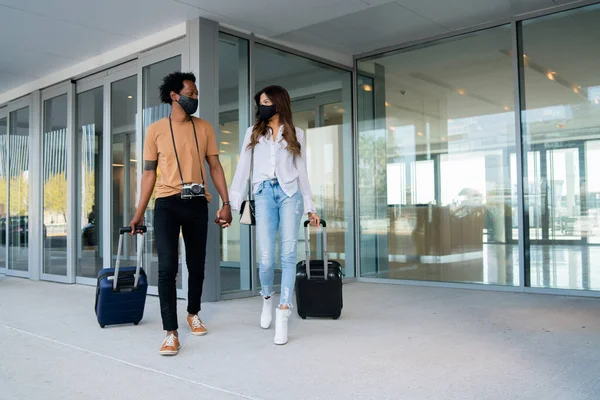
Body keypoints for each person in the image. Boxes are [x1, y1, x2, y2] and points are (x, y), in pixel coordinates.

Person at [129, 72, 232, 356]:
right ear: (175, 95)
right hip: (166, 204)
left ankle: (193, 313)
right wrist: (138, 212)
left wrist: (226, 201)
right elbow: (149, 173)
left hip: (198, 202)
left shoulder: (205, 128)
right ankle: (170, 332)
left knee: (197, 265)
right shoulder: (155, 130)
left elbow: (215, 166)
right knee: (167, 268)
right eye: (192, 93)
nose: (195, 98)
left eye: (196, 94)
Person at [225, 85, 320, 345]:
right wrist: (233, 201)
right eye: (261, 102)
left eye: (266, 101)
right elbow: (243, 167)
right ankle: (267, 297)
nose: (262, 105)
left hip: (291, 194)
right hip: (264, 193)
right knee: (266, 257)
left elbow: (302, 170)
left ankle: (283, 312)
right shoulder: (253, 133)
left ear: (279, 103)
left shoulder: (296, 133)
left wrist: (310, 206)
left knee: (288, 254)